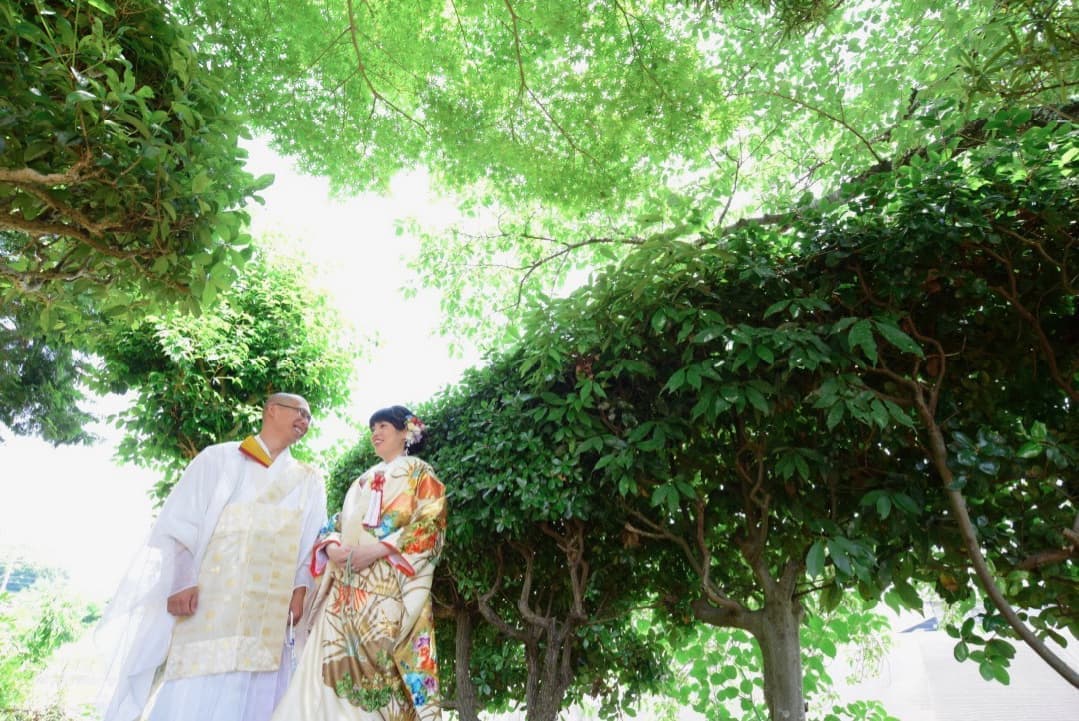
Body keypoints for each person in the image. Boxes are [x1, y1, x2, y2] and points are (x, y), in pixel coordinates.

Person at [97, 393, 327, 721]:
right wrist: (181, 581)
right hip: (210, 602)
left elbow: (309, 543)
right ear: (272, 410)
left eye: (309, 418)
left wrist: (300, 589)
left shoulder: (309, 480)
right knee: (196, 679)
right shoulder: (218, 459)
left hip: (267, 612)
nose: (305, 422)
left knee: (258, 685)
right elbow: (181, 523)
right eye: (300, 413)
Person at [271, 405, 447, 721]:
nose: (375, 434)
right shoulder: (363, 480)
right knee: (323, 677)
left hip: (385, 594)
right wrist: (332, 546)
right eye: (372, 429)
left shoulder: (421, 473)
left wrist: (380, 549)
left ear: (405, 432)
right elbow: (336, 523)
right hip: (343, 596)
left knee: (379, 682)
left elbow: (430, 523)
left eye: (383, 426)